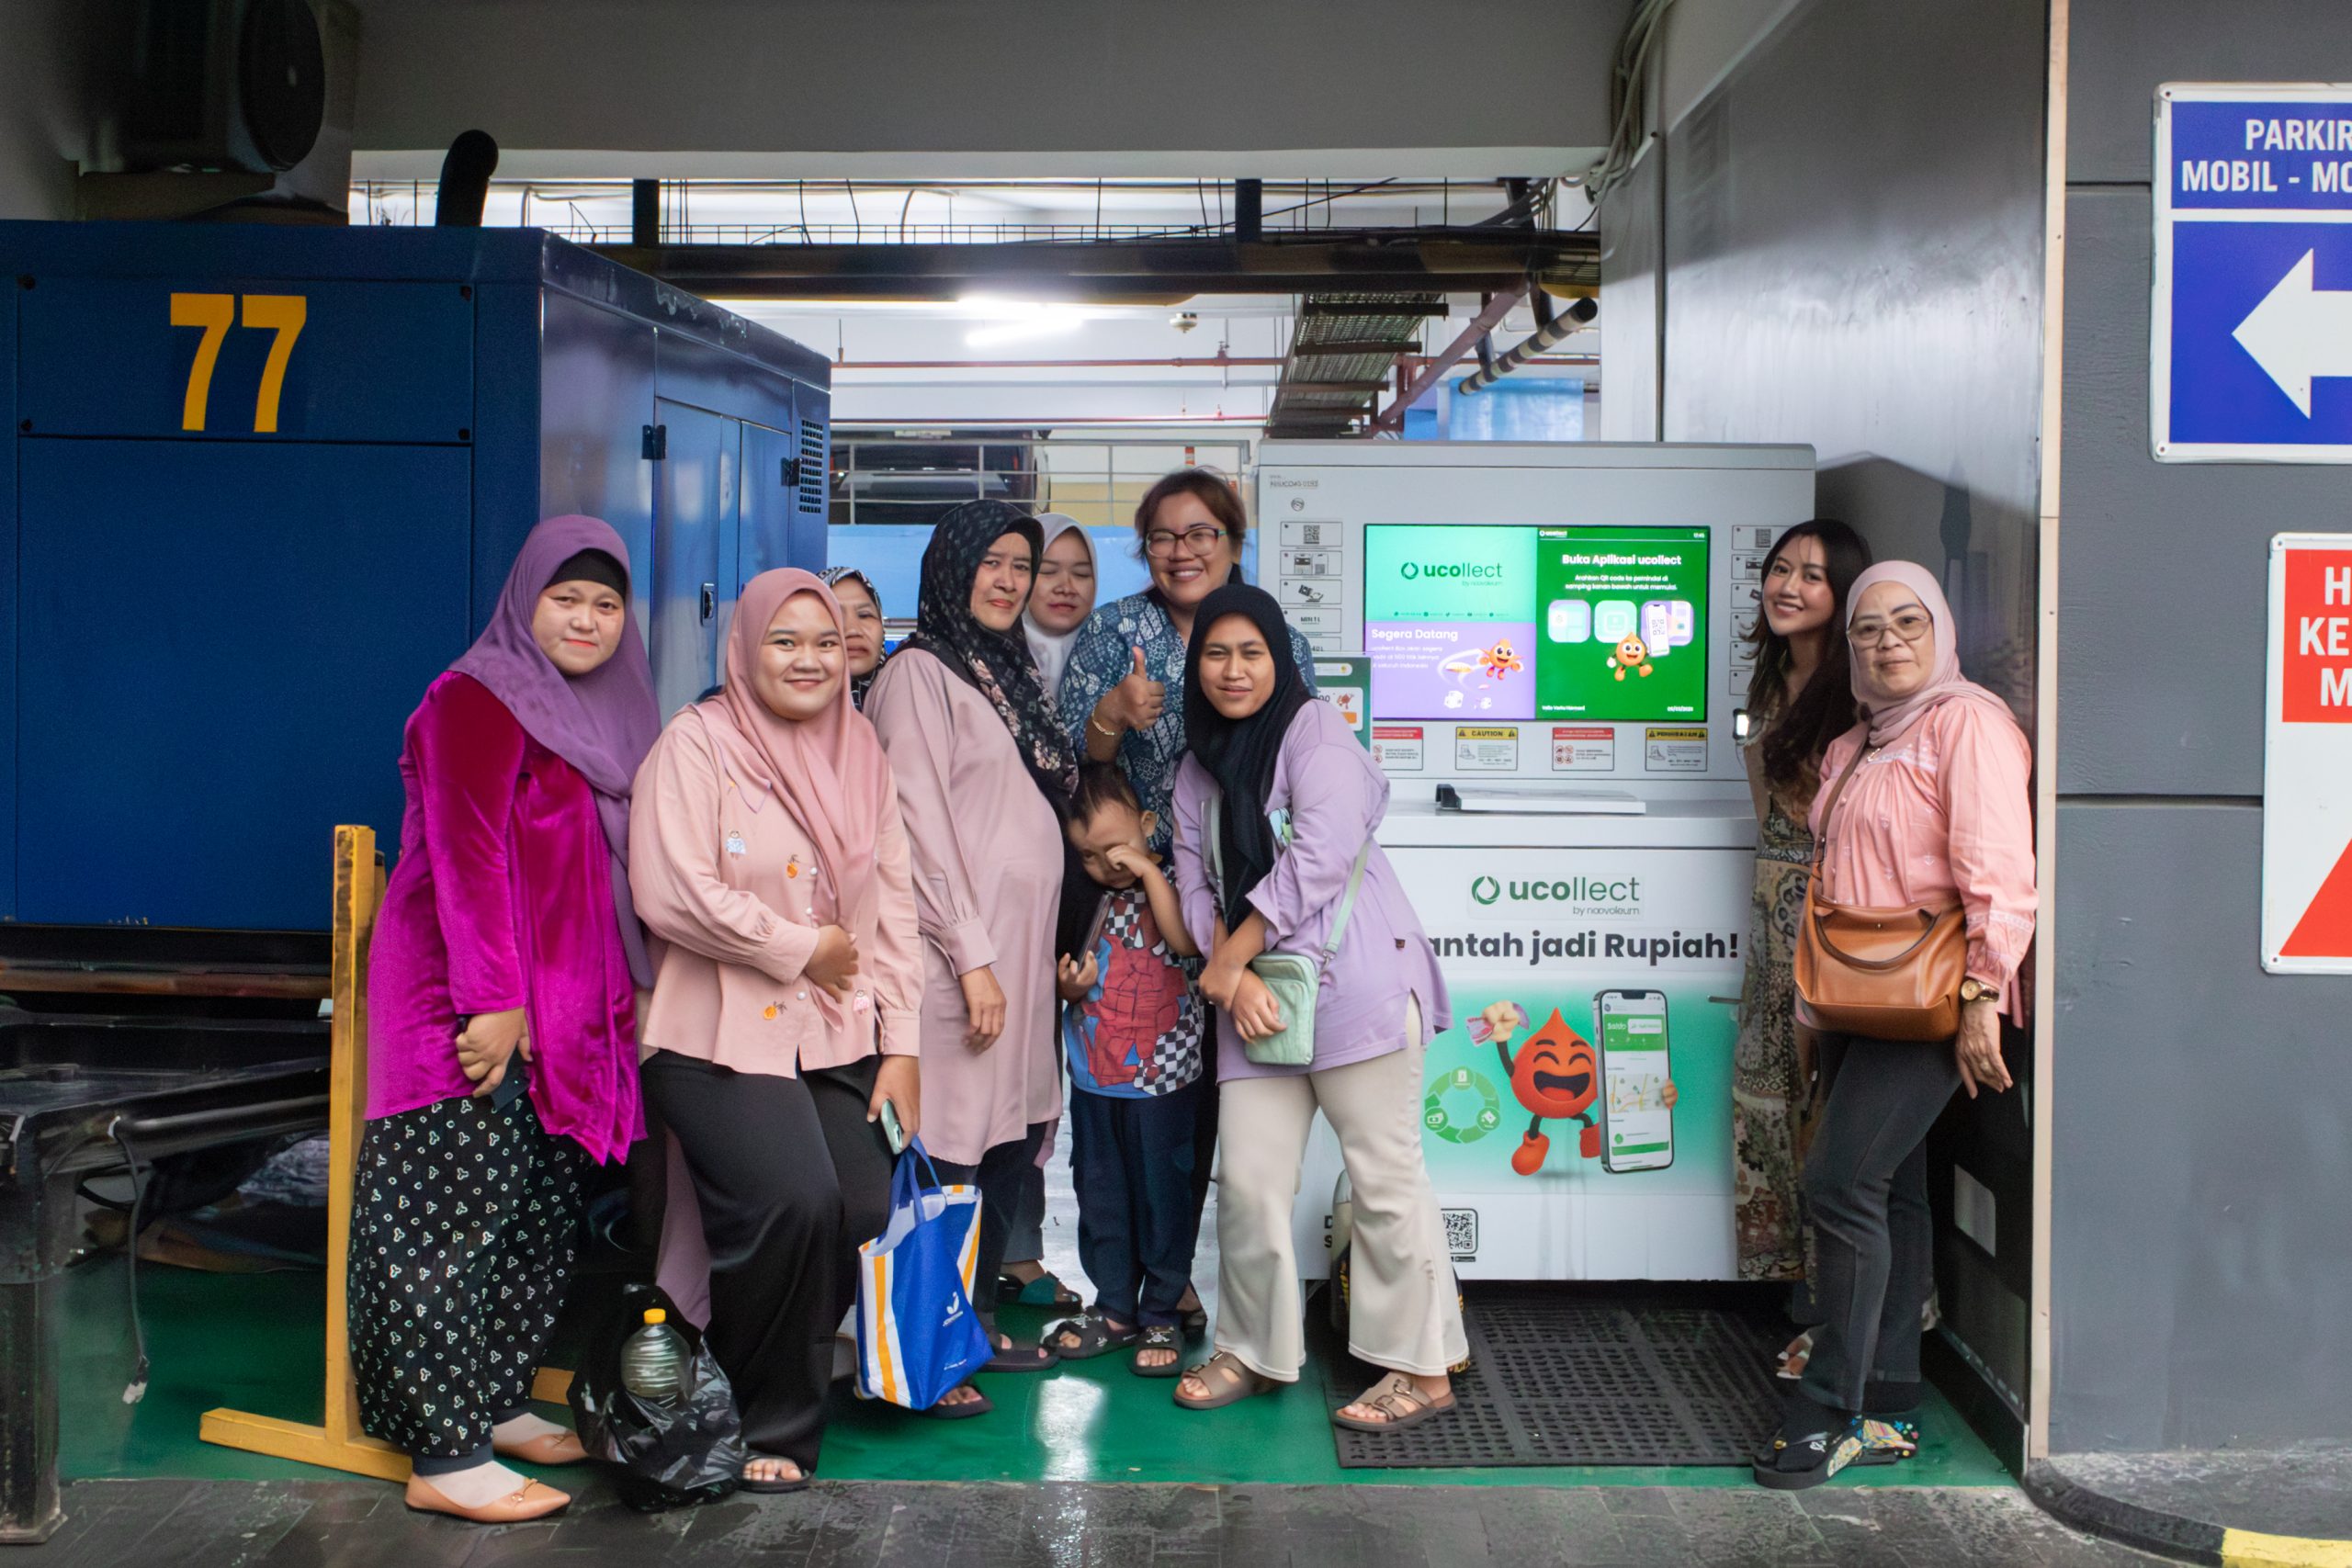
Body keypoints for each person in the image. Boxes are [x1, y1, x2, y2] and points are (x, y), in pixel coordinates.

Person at [350, 516, 658, 1524]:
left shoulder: (608, 717)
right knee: (449, 1223)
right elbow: (471, 859)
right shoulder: (474, 700)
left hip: (563, 1020)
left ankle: (492, 1401)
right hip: (464, 1004)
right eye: (565, 599)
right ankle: (445, 1456)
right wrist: (493, 1000)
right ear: (525, 603)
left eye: (607, 603)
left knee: (531, 1222)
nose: (587, 620)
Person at [629, 569, 928, 1487]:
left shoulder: (863, 752)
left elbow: (894, 910)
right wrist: (796, 947)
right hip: (709, 1032)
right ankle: (769, 1421)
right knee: (794, 1200)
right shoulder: (696, 745)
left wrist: (904, 1044)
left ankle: (756, 1366)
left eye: (826, 642)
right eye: (784, 641)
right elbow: (672, 891)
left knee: (866, 1206)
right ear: (745, 648)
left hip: (833, 1031)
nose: (808, 660)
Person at [1754, 562, 2032, 1490]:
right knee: (1894, 1193)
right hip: (1851, 995)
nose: (1888, 643)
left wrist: (1986, 997)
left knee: (1838, 1184)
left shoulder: (1968, 726)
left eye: (1907, 623)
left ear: (1939, 631)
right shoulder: (1858, 742)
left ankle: (1831, 1408)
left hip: (1933, 998)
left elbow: (1998, 872)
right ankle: (1891, 1401)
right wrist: (1804, 1009)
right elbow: (1828, 887)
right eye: (1869, 629)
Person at [1166, 584, 1464, 1431]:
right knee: (1252, 1183)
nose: (1232, 670)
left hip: (1356, 985)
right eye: (1216, 654)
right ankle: (1253, 1350)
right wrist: (1233, 970)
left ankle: (1421, 1369)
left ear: (1279, 657)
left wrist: (1231, 953)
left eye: (1251, 652)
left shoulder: (1317, 733)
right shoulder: (1198, 765)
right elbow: (1194, 879)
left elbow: (1322, 856)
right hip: (1256, 1002)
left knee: (1382, 1178)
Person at [1057, 470, 1315, 1324]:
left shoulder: (1266, 629)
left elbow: (1299, 750)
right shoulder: (1113, 631)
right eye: (1164, 536)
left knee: (1208, 1096)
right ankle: (1131, 1284)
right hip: (1127, 898)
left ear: (1233, 541)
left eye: (1200, 532)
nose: (1182, 550)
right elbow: (1078, 765)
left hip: (1238, 896)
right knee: (1125, 1099)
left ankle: (1171, 1274)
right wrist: (1115, 713)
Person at [864, 499, 1071, 1376]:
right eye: (993, 561)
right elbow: (916, 823)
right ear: (953, 567)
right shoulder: (920, 673)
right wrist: (973, 955)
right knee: (945, 1148)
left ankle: (973, 1325)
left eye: (1021, 566)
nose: (1010, 580)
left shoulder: (1006, 671)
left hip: (1018, 964)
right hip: (960, 960)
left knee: (1003, 1144)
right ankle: (921, 1342)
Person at [1731, 521, 1871, 1375]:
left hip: (1825, 910)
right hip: (1770, 902)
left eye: (1812, 576)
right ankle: (1792, 1292)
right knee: (1767, 1101)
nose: (1788, 586)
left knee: (1825, 1109)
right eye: (1781, 569)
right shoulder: (1773, 672)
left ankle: (1841, 1317)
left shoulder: (1855, 689)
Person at [1041, 763, 1206, 1376]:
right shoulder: (1086, 896)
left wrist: (1147, 870)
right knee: (1101, 1194)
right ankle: (1113, 1306)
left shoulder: (1173, 884)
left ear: (1148, 826)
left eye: (1120, 848)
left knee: (1163, 1195)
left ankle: (1162, 1308)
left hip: (1164, 1086)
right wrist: (1065, 985)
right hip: (1094, 1082)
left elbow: (1186, 941)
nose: (1107, 864)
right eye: (1088, 854)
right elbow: (1062, 963)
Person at [997, 513, 1101, 1314]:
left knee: (1063, 1086)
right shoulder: (984, 664)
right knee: (1005, 1072)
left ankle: (1030, 1249)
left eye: (1080, 571)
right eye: (1048, 569)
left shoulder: (1109, 662)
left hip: (1089, 902)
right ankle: (1001, 1250)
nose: (1063, 585)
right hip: (1004, 907)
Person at [818, 565, 890, 708]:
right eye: (835, 615)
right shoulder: (786, 710)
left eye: (865, 615)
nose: (853, 630)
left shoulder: (909, 694)